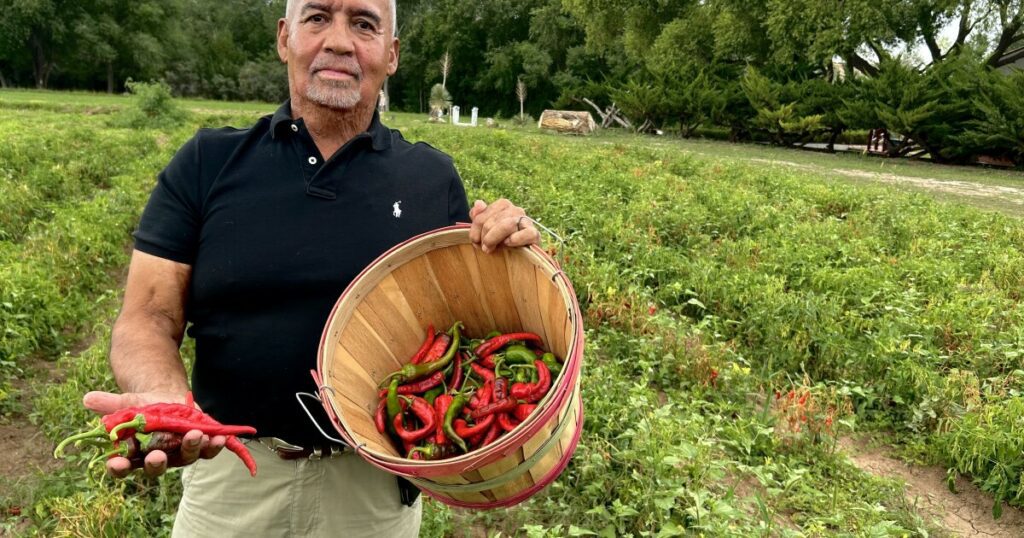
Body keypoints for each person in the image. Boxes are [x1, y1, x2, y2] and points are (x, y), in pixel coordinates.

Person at [78, 0, 540, 535]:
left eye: (364, 24)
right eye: (317, 17)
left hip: (372, 491)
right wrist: (165, 399)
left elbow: (471, 325)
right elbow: (148, 317)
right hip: (231, 480)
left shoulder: (429, 180)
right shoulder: (206, 162)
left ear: (391, 54)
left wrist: (507, 249)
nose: (339, 41)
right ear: (284, 38)